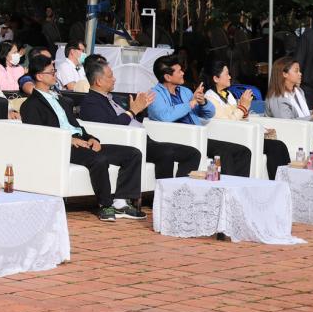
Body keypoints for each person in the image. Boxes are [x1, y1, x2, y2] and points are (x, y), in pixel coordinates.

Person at [22, 54, 144, 221]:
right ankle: (105, 205)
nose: (55, 74)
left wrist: (92, 138)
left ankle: (121, 202)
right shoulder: (31, 105)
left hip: (81, 141)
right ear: (39, 76)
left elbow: (75, 125)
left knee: (132, 153)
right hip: (62, 146)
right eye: (51, 72)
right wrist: (69, 140)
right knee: (99, 159)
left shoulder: (62, 100)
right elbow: (38, 133)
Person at [79, 60, 200, 179]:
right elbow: (111, 126)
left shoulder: (113, 98)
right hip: (129, 143)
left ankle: (180, 189)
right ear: (99, 81)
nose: (114, 79)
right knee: (166, 153)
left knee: (193, 153)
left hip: (144, 138)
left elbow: (132, 120)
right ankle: (164, 190)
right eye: (110, 76)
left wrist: (139, 109)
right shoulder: (91, 103)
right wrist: (132, 111)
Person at [149, 54, 252, 177]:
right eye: (179, 71)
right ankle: (225, 187)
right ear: (167, 77)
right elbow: (164, 116)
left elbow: (209, 113)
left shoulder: (185, 91)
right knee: (224, 152)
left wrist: (203, 102)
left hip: (198, 135)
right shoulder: (154, 94)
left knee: (243, 151)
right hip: (177, 138)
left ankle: (239, 186)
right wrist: (190, 104)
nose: (183, 73)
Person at [197, 60, 290, 178]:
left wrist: (244, 109)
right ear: (216, 78)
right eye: (227, 74)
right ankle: (278, 181)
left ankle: (283, 181)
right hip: (230, 137)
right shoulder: (210, 98)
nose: (230, 77)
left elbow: (238, 118)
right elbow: (226, 123)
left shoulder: (229, 95)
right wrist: (242, 107)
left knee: (279, 145)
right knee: (275, 147)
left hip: (240, 134)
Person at [265, 57, 313, 155]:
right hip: (291, 136)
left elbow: (298, 114)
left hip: (305, 132)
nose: (300, 74)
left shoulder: (298, 91)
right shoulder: (277, 97)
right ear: (284, 74)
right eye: (296, 71)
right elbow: (287, 123)